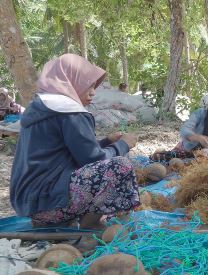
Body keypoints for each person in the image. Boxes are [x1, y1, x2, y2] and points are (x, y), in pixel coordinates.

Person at [10, 54, 139, 229]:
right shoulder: (69, 111)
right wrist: (123, 145)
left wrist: (107, 141)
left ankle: (57, 220)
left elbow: (69, 152)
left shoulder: (43, 107)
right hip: (51, 202)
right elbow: (96, 161)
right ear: (71, 82)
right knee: (120, 166)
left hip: (31, 202)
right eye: (89, 85)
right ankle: (90, 227)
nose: (93, 92)